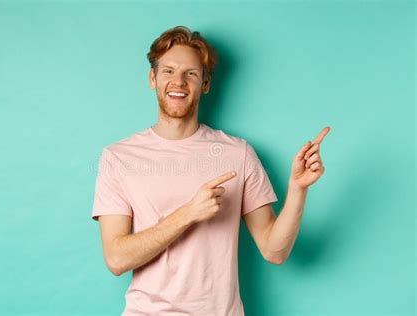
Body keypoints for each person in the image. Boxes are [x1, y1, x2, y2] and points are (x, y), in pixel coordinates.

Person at [91, 25, 330, 315]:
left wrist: (297, 190)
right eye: (168, 71)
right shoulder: (119, 157)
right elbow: (116, 258)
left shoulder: (237, 153)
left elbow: (274, 251)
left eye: (190, 73)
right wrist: (189, 213)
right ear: (152, 78)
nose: (178, 82)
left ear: (205, 83)